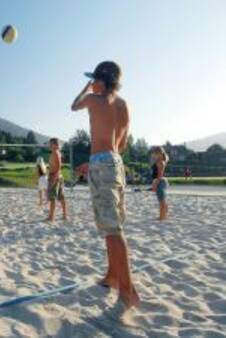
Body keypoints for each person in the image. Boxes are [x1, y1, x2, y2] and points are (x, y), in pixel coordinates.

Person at [71, 61, 140, 309]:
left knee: (112, 230)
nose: (93, 83)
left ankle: (128, 290)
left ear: (102, 81)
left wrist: (85, 88)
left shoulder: (93, 98)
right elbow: (119, 146)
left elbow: (73, 106)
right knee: (114, 224)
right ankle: (112, 276)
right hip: (116, 163)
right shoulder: (123, 105)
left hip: (102, 164)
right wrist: (98, 162)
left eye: (95, 79)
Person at [47, 138, 68, 221]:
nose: (49, 145)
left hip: (55, 176)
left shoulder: (55, 152)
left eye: (51, 144)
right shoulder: (56, 153)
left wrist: (53, 178)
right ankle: (64, 215)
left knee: (52, 197)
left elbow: (59, 166)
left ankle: (51, 217)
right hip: (58, 176)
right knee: (61, 196)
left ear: (55, 145)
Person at [151, 147, 170, 220]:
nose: (154, 155)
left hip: (160, 181)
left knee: (161, 200)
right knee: (163, 199)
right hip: (161, 181)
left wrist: (155, 183)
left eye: (155, 154)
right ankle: (164, 215)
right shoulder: (161, 160)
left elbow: (160, 174)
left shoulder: (160, 162)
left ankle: (162, 216)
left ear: (159, 154)